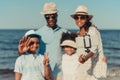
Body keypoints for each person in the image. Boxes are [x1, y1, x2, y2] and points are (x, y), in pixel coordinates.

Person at [18, 2, 67, 80]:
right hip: (42, 73)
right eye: (47, 17)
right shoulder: (38, 33)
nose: (50, 19)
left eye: (53, 16)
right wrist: (20, 52)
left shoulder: (65, 32)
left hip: (59, 73)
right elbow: (26, 54)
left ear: (57, 15)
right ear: (44, 17)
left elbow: (73, 49)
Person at [70, 5, 107, 80]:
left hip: (96, 69)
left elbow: (94, 50)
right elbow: (80, 52)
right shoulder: (78, 34)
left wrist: (85, 58)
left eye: (82, 17)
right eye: (77, 17)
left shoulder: (92, 31)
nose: (79, 20)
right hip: (84, 69)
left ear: (87, 18)